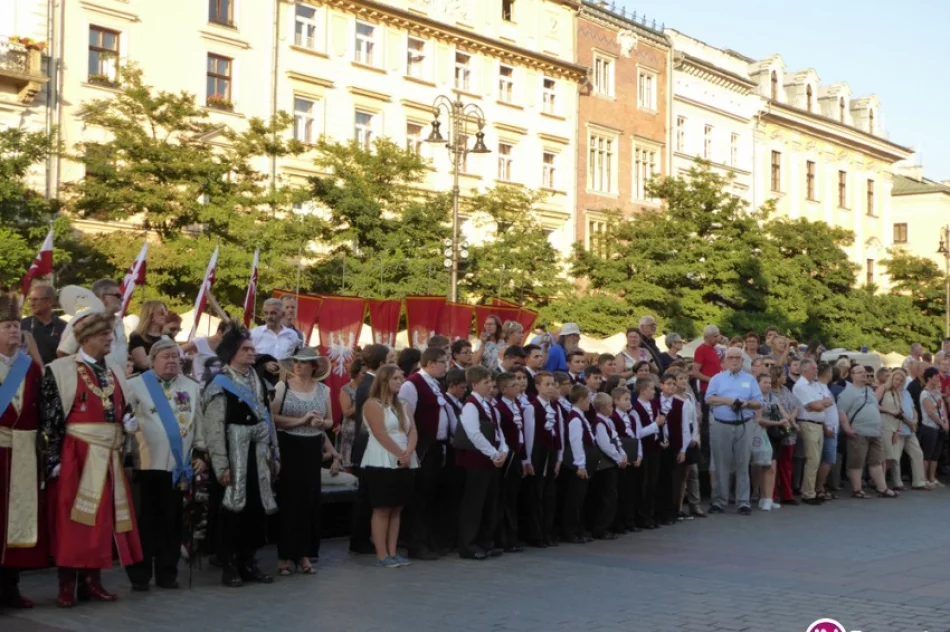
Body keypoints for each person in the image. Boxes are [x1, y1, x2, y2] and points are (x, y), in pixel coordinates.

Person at [41, 312, 141, 608]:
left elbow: (121, 407)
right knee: (72, 522)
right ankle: (66, 585)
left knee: (101, 520)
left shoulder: (115, 371)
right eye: (102, 335)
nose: (109, 339)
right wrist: (53, 460)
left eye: (110, 334)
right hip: (76, 455)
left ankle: (92, 582)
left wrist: (128, 420)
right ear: (85, 340)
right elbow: (50, 417)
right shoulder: (60, 370)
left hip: (108, 456)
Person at [201, 327, 280, 587]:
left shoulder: (259, 381)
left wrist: (275, 454)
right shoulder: (219, 383)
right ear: (232, 353)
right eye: (246, 349)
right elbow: (213, 428)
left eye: (252, 348)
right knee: (231, 512)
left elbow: (268, 419)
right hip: (233, 456)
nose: (252, 352)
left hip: (258, 456)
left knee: (255, 510)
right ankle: (230, 565)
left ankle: (249, 561)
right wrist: (221, 464)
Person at [124, 337, 202, 591]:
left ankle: (167, 573)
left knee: (173, 520)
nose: (171, 361)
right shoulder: (134, 385)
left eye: (175, 357)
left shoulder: (191, 387)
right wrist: (127, 459)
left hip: (178, 467)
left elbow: (198, 422)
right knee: (146, 522)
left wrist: (200, 454)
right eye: (166, 357)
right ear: (152, 361)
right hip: (146, 464)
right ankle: (140, 575)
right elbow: (125, 425)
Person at [0, 296, 46, 611]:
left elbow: (41, 408)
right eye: (7, 326)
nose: (15, 331)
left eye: (17, 325)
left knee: (17, 520)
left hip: (23, 452)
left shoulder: (30, 368)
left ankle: (10, 588)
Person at [271, 347, 332, 575]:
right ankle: (285, 556)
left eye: (304, 362)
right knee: (289, 501)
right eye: (296, 361)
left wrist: (320, 423)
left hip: (311, 447)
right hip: (289, 445)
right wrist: (300, 421)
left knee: (309, 501)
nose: (298, 365)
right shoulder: (283, 386)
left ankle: (304, 554)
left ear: (314, 366)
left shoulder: (323, 390)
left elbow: (330, 420)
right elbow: (272, 417)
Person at [361, 364, 418, 567]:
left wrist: (408, 452)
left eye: (401, 378)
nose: (400, 382)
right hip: (382, 459)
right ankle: (382, 554)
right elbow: (380, 433)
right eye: (395, 378)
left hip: (404, 458)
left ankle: (393, 551)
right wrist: (399, 454)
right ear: (384, 381)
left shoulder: (403, 404)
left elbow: (412, 430)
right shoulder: (372, 404)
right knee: (382, 508)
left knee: (397, 508)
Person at [399, 347, 450, 561]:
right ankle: (415, 543)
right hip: (422, 448)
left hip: (436, 447)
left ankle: (429, 539)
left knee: (431, 496)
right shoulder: (412, 384)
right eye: (443, 362)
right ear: (430, 363)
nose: (446, 366)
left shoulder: (436, 383)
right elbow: (405, 418)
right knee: (419, 497)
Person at [454, 366, 507, 559]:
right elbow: (473, 433)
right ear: (474, 385)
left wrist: (503, 451)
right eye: (486, 382)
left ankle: (486, 541)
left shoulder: (489, 405)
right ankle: (468, 545)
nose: (490, 385)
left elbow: (498, 431)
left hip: (491, 460)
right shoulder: (471, 405)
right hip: (476, 461)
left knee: (489, 503)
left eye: (491, 381)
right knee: (473, 504)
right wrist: (493, 453)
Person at [704, 347, 763, 515]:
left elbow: (759, 402)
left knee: (742, 464)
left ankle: (743, 502)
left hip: (744, 424)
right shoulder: (717, 379)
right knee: (721, 464)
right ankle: (719, 501)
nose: (734, 360)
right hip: (721, 424)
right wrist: (727, 401)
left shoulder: (750, 379)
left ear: (743, 361)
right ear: (725, 360)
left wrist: (746, 403)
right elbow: (708, 399)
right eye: (731, 357)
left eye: (738, 357)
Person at [349, 344, 390, 556]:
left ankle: (363, 538)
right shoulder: (369, 385)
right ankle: (360, 540)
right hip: (368, 445)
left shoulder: (370, 383)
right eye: (389, 360)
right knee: (366, 496)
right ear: (381, 363)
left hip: (369, 445)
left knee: (368, 495)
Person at [837, 365, 899, 499]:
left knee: (876, 462)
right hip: (858, 432)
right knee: (856, 463)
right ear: (852, 375)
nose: (864, 374)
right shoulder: (847, 393)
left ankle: (882, 488)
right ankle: (857, 490)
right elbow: (842, 412)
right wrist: (847, 429)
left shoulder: (870, 390)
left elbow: (875, 407)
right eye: (860, 372)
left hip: (875, 432)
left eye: (865, 372)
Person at [526, 371, 562, 548]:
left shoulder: (555, 407)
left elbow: (560, 433)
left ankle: (547, 531)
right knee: (536, 494)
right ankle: (535, 533)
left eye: (553, 384)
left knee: (549, 494)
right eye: (547, 384)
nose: (550, 388)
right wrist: (527, 459)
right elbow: (529, 435)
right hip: (537, 452)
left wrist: (559, 457)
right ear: (538, 386)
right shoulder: (532, 407)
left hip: (551, 452)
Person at [58, 279, 128, 368]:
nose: (122, 299)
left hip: (115, 375)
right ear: (104, 297)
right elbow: (64, 352)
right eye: (118, 295)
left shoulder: (118, 322)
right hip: (89, 375)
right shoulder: (86, 318)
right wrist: (80, 373)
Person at [494, 372, 529, 552]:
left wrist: (525, 458)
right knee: (505, 497)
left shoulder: (517, 405)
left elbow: (521, 433)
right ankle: (504, 539)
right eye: (514, 385)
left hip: (517, 455)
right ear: (503, 389)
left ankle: (512, 536)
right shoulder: (500, 407)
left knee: (513, 497)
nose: (518, 387)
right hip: (507, 456)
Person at [561, 385, 597, 543]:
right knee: (574, 500)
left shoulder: (581, 416)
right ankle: (571, 532)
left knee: (580, 499)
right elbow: (576, 443)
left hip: (585, 464)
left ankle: (579, 529)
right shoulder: (575, 419)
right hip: (578, 466)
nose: (590, 402)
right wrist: (580, 465)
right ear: (581, 399)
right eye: (588, 399)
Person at [792, 359, 831, 505]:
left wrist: (820, 404)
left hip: (818, 424)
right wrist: (821, 403)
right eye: (813, 369)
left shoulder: (814, 385)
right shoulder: (801, 386)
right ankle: (808, 493)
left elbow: (827, 402)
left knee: (815, 460)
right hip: (808, 423)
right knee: (812, 460)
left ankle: (810, 490)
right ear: (804, 370)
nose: (816, 371)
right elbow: (814, 406)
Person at [589, 392, 625, 539]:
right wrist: (618, 458)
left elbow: (615, 439)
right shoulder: (599, 423)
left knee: (611, 496)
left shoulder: (607, 421)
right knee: (607, 496)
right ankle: (601, 528)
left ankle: (607, 526)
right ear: (602, 408)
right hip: (605, 465)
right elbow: (605, 445)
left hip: (611, 463)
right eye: (610, 406)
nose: (612, 408)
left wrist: (622, 453)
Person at [630, 377, 663, 528]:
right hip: (643, 449)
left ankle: (650, 514)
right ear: (643, 391)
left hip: (655, 448)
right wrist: (655, 425)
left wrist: (661, 437)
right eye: (651, 389)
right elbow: (639, 433)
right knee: (643, 484)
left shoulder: (654, 405)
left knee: (653, 483)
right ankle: (641, 516)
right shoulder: (635, 409)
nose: (654, 391)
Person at [672, 369, 704, 518]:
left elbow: (695, 419)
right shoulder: (673, 398)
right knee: (682, 475)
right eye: (680, 378)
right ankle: (677, 507)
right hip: (680, 436)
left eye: (685, 378)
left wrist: (696, 437)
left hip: (692, 434)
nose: (684, 381)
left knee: (693, 472)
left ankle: (695, 505)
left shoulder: (689, 396)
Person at [753, 373, 786, 511]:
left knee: (772, 467)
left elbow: (783, 412)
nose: (768, 385)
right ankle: (765, 498)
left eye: (769, 383)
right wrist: (777, 423)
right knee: (768, 466)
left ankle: (767, 498)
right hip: (763, 434)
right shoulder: (756, 398)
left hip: (775, 435)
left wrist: (787, 420)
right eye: (764, 382)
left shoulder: (774, 397)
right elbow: (758, 419)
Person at [877, 368, 909, 492]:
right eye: (896, 379)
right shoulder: (883, 388)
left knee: (892, 456)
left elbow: (900, 412)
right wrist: (889, 411)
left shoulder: (898, 393)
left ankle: (881, 480)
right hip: (884, 423)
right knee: (886, 455)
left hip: (895, 425)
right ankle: (881, 483)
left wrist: (898, 430)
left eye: (901, 380)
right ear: (892, 378)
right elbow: (874, 404)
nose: (898, 382)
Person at [21, 283, 66, 365]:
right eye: (30, 299)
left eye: (35, 299)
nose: (31, 303)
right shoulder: (22, 325)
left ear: (49, 302)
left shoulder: (64, 327)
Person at [918, 367, 948, 489]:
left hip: (939, 427)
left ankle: (932, 477)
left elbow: (942, 408)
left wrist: (946, 421)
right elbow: (930, 412)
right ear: (929, 378)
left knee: (936, 454)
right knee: (927, 454)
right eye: (935, 376)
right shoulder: (925, 393)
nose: (937, 378)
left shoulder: (936, 392)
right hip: (929, 426)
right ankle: (924, 478)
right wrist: (942, 423)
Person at [814, 363, 839, 502]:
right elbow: (820, 409)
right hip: (827, 428)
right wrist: (826, 427)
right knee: (827, 459)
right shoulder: (819, 388)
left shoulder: (824, 388)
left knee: (828, 459)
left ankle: (821, 486)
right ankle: (819, 488)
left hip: (832, 428)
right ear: (828, 373)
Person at [338, 357, 363, 469]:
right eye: (363, 373)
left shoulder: (371, 388)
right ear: (356, 373)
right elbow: (346, 413)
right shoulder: (346, 389)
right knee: (349, 465)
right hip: (351, 433)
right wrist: (361, 401)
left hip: (366, 432)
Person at [129, 300, 168, 373]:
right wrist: (165, 355)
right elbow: (142, 363)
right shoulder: (137, 336)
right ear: (150, 315)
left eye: (166, 312)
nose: (165, 315)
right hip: (145, 377)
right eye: (161, 312)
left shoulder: (167, 336)